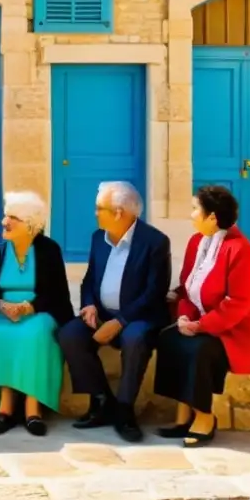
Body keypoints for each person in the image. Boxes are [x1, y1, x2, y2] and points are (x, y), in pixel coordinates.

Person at [154, 184, 250, 447]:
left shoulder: (241, 249)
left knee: (199, 350)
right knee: (170, 340)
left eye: (195, 209)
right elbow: (187, 288)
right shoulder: (196, 242)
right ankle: (183, 418)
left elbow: (238, 303)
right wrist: (183, 318)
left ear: (212, 217)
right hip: (204, 322)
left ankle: (204, 417)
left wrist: (200, 326)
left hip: (238, 329)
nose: (191, 214)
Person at [56, 181, 172, 443]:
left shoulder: (155, 242)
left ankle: (124, 409)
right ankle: (101, 401)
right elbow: (89, 279)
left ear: (119, 212)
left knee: (135, 338)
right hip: (103, 313)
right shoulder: (99, 238)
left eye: (100, 208)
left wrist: (120, 321)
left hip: (138, 317)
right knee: (70, 334)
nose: (95, 213)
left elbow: (154, 292)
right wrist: (88, 304)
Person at [0, 191, 74, 436]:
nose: (4, 222)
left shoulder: (49, 249)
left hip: (40, 311)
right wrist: (4, 306)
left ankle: (32, 409)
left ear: (29, 224)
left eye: (11, 217)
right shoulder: (0, 251)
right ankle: (4, 409)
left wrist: (29, 307)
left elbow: (57, 293)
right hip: (3, 313)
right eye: (5, 216)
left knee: (35, 333)